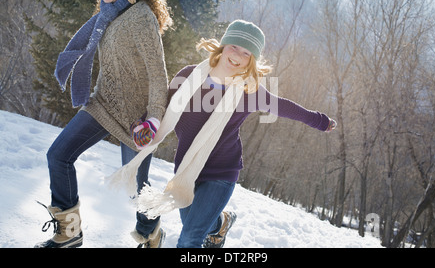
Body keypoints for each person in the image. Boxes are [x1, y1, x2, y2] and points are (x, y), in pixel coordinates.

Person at [117, 19, 336, 248]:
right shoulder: (189, 76)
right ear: (223, 46)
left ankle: (215, 223)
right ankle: (221, 223)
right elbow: (160, 107)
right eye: (234, 47)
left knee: (190, 238)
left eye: (246, 53)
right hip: (187, 170)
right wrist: (141, 124)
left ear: (251, 61)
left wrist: (320, 121)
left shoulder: (249, 92)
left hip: (221, 172)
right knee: (198, 224)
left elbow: (284, 107)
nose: (238, 55)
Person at [35, 0, 172, 248]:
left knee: (139, 193)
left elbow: (158, 75)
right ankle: (69, 232)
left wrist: (153, 118)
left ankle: (152, 233)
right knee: (58, 156)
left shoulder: (141, 18)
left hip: (136, 122)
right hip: (102, 104)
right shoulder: (106, 13)